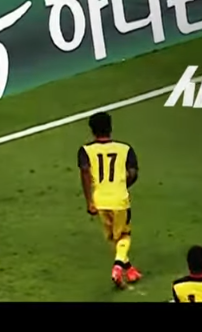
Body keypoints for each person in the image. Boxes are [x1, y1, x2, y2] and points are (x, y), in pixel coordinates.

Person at [77, 111, 141, 288]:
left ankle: (129, 269)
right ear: (111, 127)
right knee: (124, 235)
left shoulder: (85, 150)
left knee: (114, 237)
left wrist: (89, 201)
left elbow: (85, 173)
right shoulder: (125, 149)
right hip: (119, 200)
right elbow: (133, 174)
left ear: (92, 130)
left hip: (100, 200)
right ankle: (118, 268)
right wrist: (121, 185)